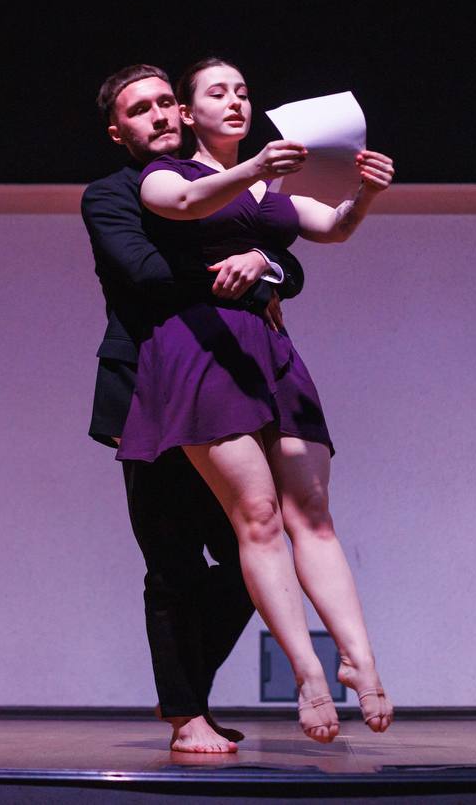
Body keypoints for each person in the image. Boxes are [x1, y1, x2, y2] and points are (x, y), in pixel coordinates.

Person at [115, 58, 396, 743]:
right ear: (188, 113)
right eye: (217, 93)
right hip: (199, 348)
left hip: (267, 348)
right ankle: (307, 673)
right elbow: (187, 204)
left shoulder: (270, 187)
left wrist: (364, 194)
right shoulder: (166, 174)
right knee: (259, 517)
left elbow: (333, 226)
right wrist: (255, 169)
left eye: (242, 91)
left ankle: (361, 661)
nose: (236, 101)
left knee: (314, 514)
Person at [81, 64, 307, 753]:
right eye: (138, 110)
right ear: (117, 131)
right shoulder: (111, 195)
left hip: (216, 388)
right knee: (172, 558)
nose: (156, 116)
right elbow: (146, 273)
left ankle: (183, 692)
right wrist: (244, 274)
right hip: (148, 393)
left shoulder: (217, 183)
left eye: (163, 103)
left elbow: (289, 262)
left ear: (182, 111)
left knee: (255, 546)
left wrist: (261, 260)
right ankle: (186, 715)